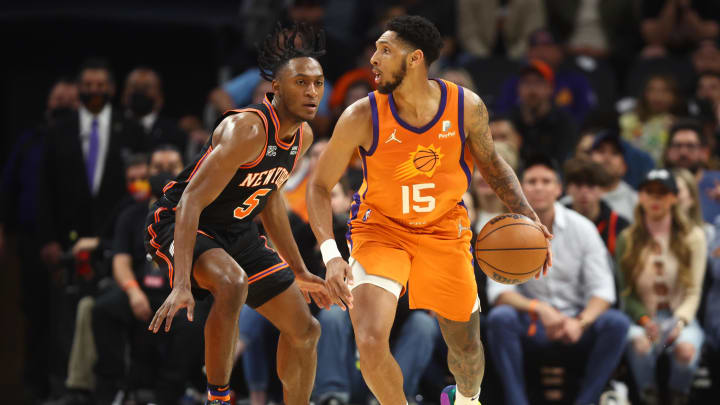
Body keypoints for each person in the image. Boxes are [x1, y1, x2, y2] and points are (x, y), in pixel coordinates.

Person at [306, 15, 551, 405]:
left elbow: (492, 163)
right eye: (375, 49)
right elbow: (318, 186)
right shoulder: (360, 116)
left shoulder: (465, 106)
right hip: (381, 231)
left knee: (467, 349)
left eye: (385, 51)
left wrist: (529, 217)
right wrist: (331, 254)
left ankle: (467, 400)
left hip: (444, 230)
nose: (373, 59)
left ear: (416, 59)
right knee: (369, 341)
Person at [144, 23, 331, 405]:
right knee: (232, 284)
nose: (312, 91)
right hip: (180, 221)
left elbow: (270, 199)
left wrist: (297, 268)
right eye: (301, 82)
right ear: (275, 88)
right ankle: (219, 397)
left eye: (318, 82)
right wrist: (181, 283)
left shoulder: (304, 137)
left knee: (306, 331)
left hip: (237, 230)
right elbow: (191, 202)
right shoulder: (246, 128)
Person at [486, 155, 630, 405]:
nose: (539, 187)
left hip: (575, 324)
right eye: (531, 181)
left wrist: (581, 322)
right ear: (520, 186)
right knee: (500, 318)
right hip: (532, 323)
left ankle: (586, 401)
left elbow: (604, 290)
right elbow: (498, 293)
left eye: (546, 181)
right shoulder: (507, 229)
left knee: (616, 323)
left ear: (558, 188)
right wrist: (540, 309)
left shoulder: (582, 228)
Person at [615, 169, 707, 405]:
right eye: (649, 192)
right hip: (644, 315)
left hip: (680, 314)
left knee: (686, 350)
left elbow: (694, 291)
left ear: (674, 197)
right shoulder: (628, 238)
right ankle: (648, 395)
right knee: (639, 343)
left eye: (662, 193)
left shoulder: (693, 236)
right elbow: (627, 291)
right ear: (641, 196)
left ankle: (679, 395)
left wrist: (680, 321)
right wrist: (644, 319)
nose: (656, 199)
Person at [509, 59, 578, 164]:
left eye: (538, 82)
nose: (532, 89)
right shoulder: (510, 120)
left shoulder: (563, 121)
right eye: (526, 82)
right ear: (518, 88)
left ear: (550, 88)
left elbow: (564, 160)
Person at [563, 157, 629, 255]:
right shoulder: (555, 221)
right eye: (578, 185)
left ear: (602, 190)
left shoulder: (620, 226)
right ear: (568, 189)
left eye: (591, 186)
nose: (584, 191)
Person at [122, 67, 187, 155]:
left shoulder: (175, 132)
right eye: (135, 87)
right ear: (125, 93)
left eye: (146, 88)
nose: (140, 92)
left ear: (160, 96)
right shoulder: (114, 128)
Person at [620, 74, 683, 164]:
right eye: (652, 90)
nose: (658, 96)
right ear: (644, 94)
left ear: (674, 96)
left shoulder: (678, 125)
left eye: (664, 91)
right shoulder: (628, 121)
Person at [588, 131, 638, 222]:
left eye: (614, 153)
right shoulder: (572, 199)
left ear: (624, 166)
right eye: (601, 151)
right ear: (588, 160)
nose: (607, 157)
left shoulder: (637, 204)